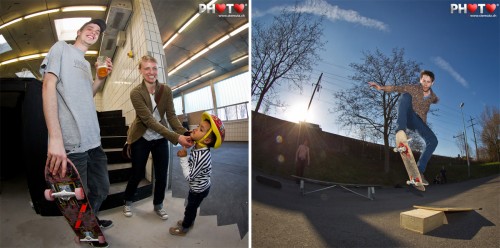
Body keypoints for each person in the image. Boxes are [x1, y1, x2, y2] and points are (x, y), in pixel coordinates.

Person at [41, 19, 113, 247]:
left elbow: (86, 97)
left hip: (94, 139)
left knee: (101, 189)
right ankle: (85, 231)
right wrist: (55, 137)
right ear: (79, 32)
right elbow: (48, 85)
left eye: (97, 32)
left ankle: (89, 221)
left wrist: (100, 79)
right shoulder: (61, 47)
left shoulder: (86, 64)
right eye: (89, 29)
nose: (94, 33)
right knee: (77, 196)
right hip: (73, 140)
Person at [123, 55, 193, 219]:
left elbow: (172, 117)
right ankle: (127, 201)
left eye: (154, 68)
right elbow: (148, 120)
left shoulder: (166, 90)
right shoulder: (136, 93)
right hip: (142, 136)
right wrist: (176, 138)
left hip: (160, 138)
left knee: (162, 173)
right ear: (140, 70)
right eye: (146, 68)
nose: (151, 72)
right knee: (137, 173)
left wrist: (185, 133)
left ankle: (158, 205)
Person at [368, 70, 439, 185]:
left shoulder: (433, 96)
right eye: (424, 81)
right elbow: (397, 88)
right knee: (405, 96)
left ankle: (419, 172)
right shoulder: (413, 88)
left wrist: (436, 99)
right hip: (409, 116)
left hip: (420, 123)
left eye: (428, 82)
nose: (425, 84)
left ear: (432, 83)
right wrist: (381, 88)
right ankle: (400, 131)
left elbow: (435, 99)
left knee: (433, 141)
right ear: (420, 80)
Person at [169, 112, 225, 236]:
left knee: (190, 209)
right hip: (201, 186)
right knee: (192, 208)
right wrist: (188, 150)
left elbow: (189, 176)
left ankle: (184, 228)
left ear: (207, 139)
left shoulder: (202, 155)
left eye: (200, 129)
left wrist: (183, 158)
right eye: (198, 126)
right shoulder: (199, 147)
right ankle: (190, 222)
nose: (195, 129)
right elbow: (193, 163)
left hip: (198, 190)